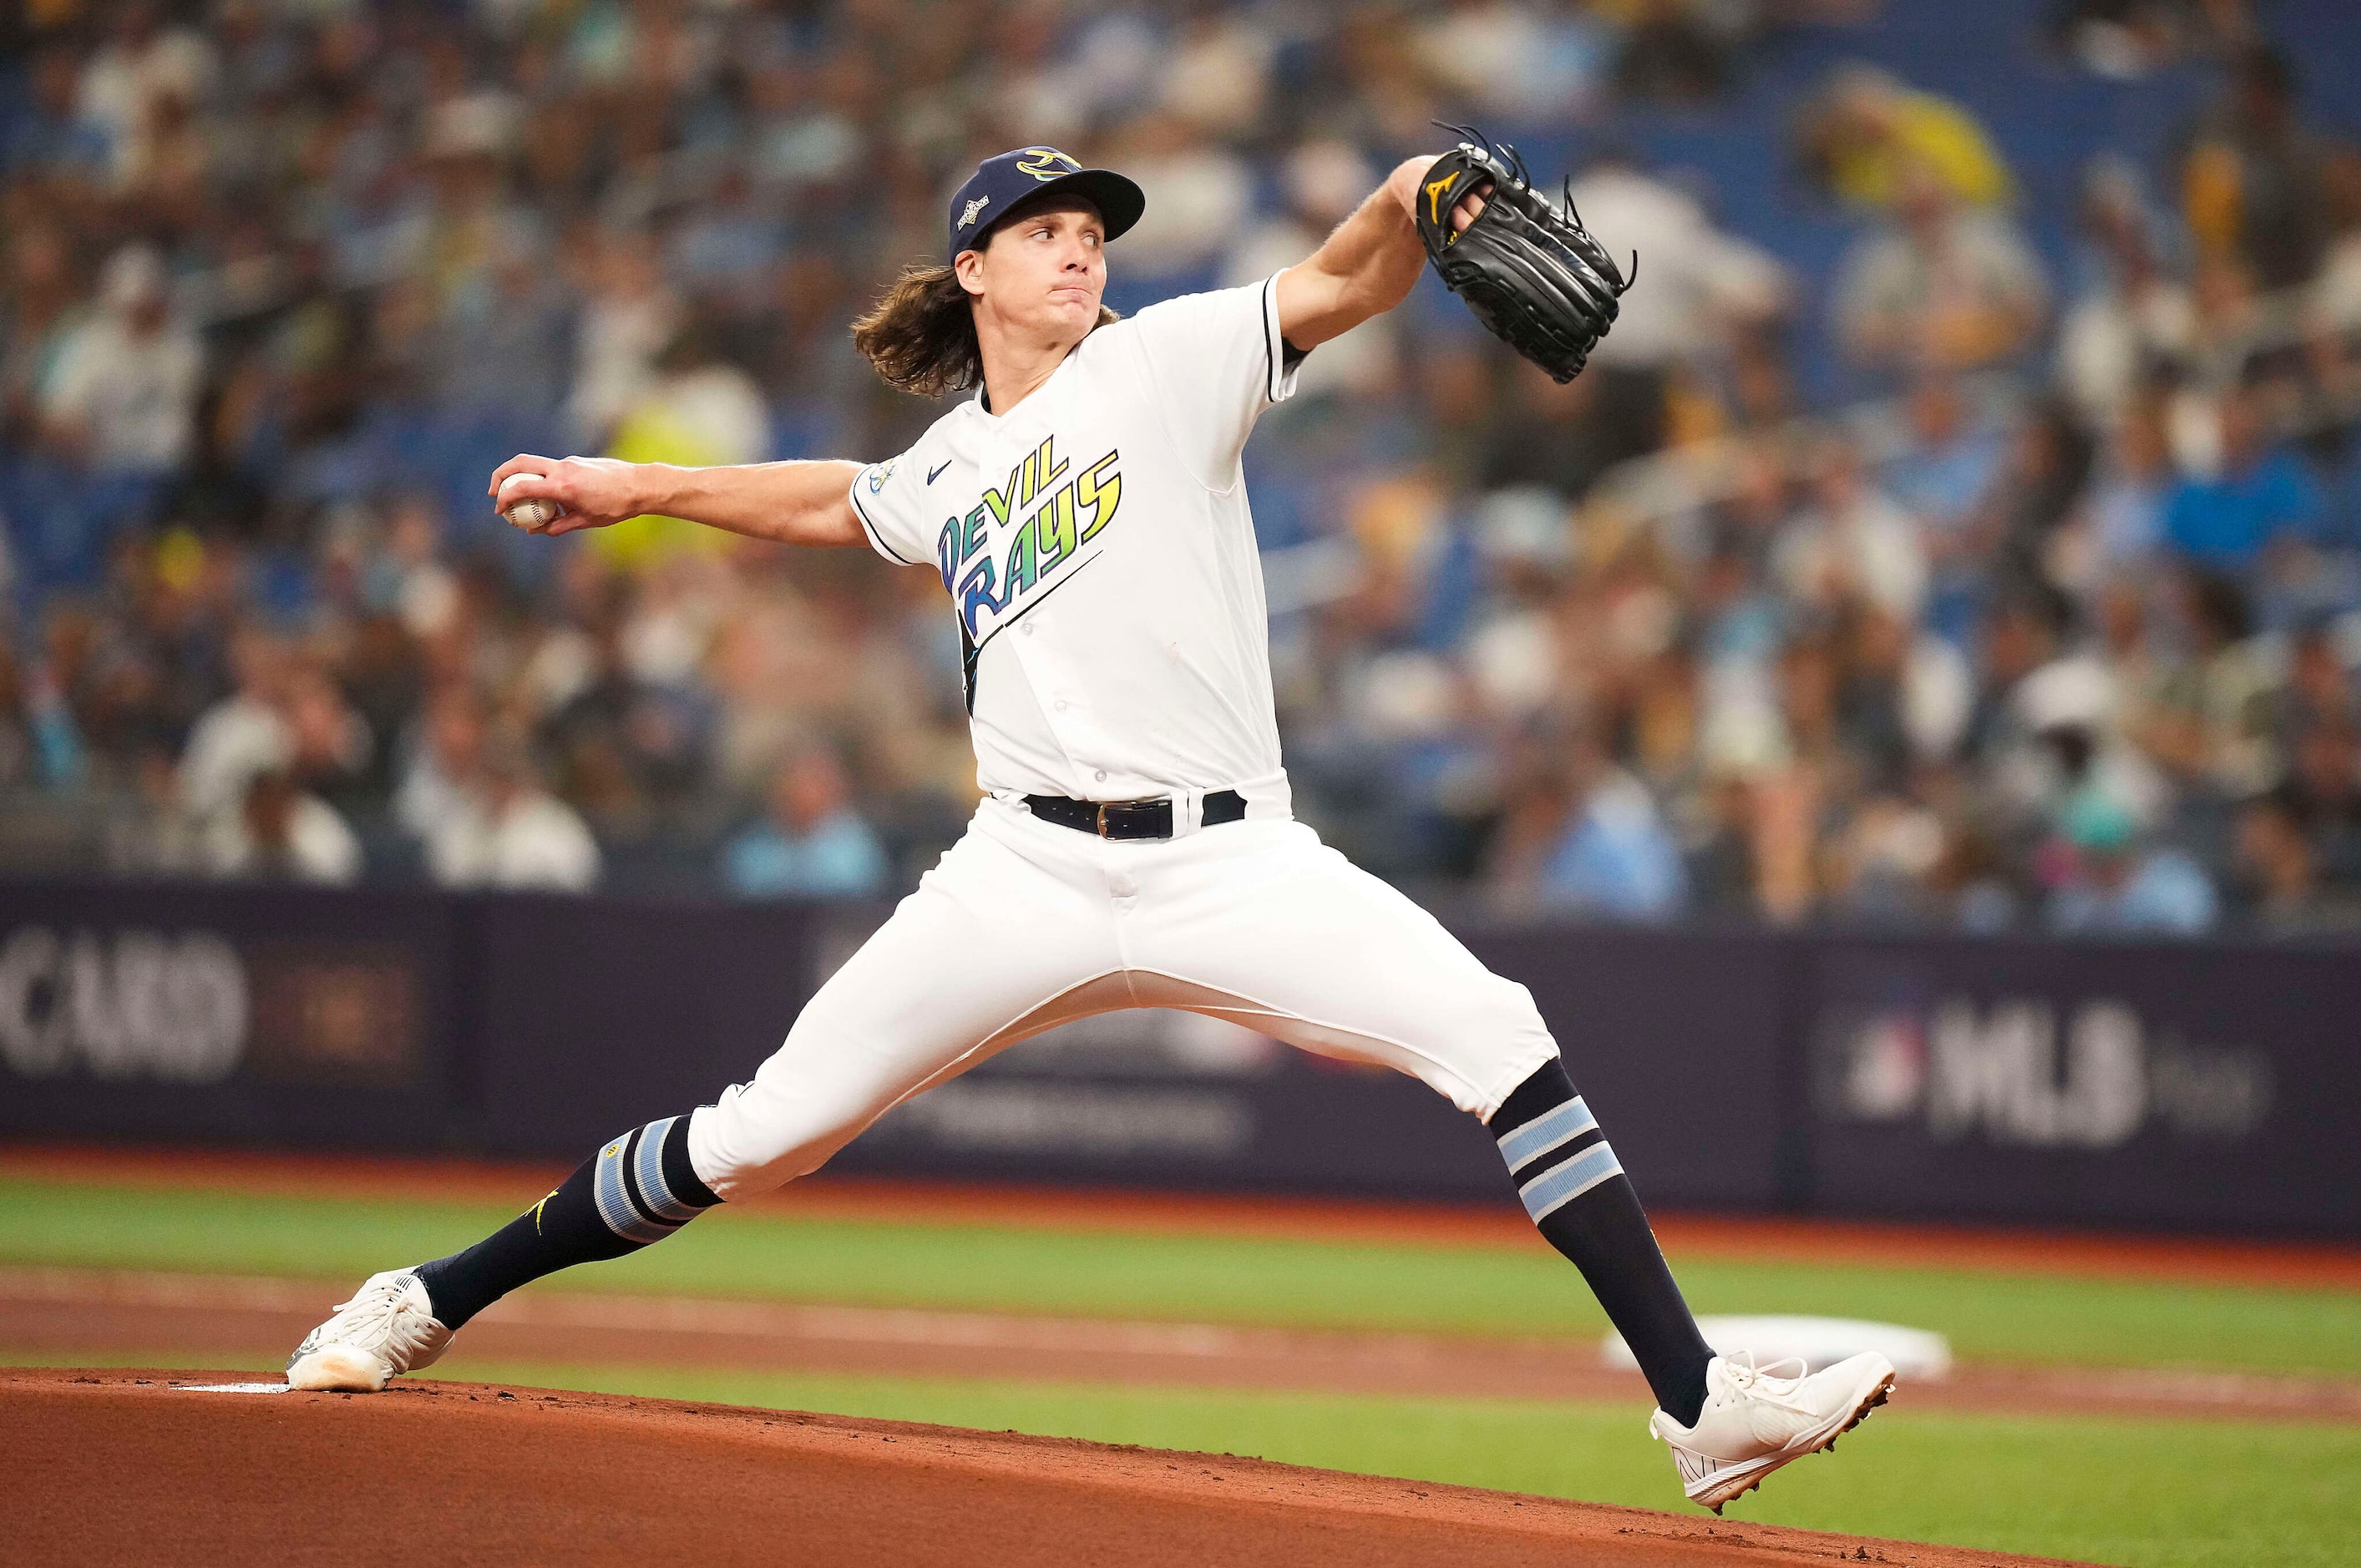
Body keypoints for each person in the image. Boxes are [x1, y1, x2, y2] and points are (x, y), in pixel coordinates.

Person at [286, 144, 1893, 1514]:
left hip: (1231, 858)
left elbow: (1342, 278)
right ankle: (427, 1295)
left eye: (1093, 231)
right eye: (1049, 231)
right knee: (762, 1132)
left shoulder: (1169, 360)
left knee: (1500, 1029)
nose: (1081, 249)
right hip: (1026, 870)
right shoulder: (956, 464)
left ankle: (1698, 1405)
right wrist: (636, 487)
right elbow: (830, 497)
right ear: (973, 268)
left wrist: (1411, 191)